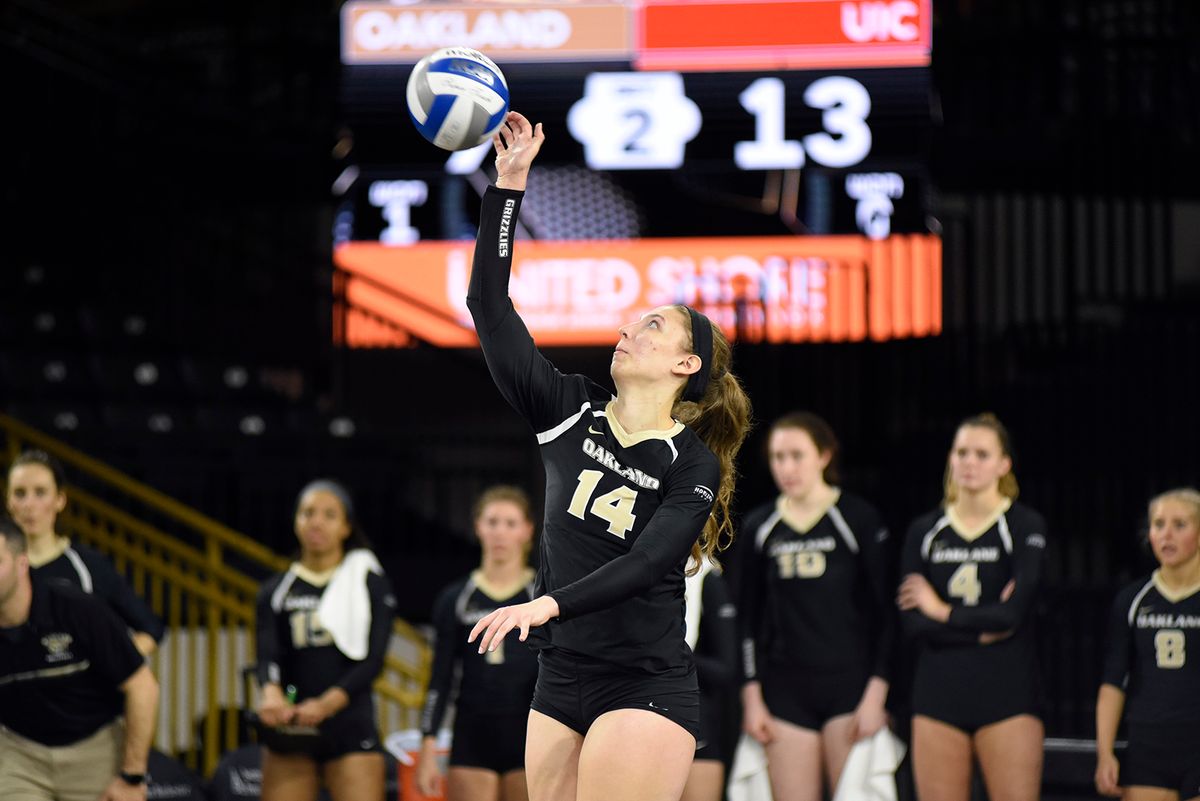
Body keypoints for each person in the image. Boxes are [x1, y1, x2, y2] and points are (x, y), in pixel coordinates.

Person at [463, 111, 752, 801]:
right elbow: (488, 307)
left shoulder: (691, 463)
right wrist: (508, 188)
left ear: (687, 362)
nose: (631, 328)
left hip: (644, 681)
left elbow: (649, 562)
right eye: (633, 320)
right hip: (562, 674)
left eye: (653, 325)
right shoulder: (568, 411)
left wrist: (547, 605)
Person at [737, 411, 896, 801]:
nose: (786, 468)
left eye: (796, 455)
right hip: (785, 691)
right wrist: (751, 698)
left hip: (851, 687)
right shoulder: (761, 526)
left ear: (824, 456)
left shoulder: (856, 518)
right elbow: (744, 619)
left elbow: (888, 614)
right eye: (777, 457)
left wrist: (878, 694)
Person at [896, 412, 1047, 801]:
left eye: (982, 454)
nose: (969, 462)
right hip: (938, 694)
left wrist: (941, 611)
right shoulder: (925, 530)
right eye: (962, 452)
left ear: (1004, 464)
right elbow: (912, 623)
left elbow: (1014, 615)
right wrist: (984, 628)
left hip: (1008, 694)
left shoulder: (1024, 525)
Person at [254, 480, 397, 801]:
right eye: (308, 513)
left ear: (346, 527)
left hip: (349, 725)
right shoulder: (276, 591)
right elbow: (267, 655)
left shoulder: (370, 583)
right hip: (293, 728)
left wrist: (326, 704)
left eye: (329, 515)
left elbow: (373, 660)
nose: (316, 522)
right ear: (295, 521)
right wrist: (272, 694)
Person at [0, 515, 160, 801]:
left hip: (94, 748)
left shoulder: (78, 609)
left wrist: (132, 777)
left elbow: (142, 687)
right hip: (19, 753)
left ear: (21, 564)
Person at [416, 485, 539, 801]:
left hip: (529, 732)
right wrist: (428, 743)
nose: (500, 532)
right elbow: (439, 677)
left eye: (510, 523)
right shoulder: (455, 599)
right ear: (477, 527)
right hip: (472, 734)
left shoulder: (541, 597)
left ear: (527, 530)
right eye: (492, 522)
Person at [1095, 488, 1200, 801]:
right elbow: (1114, 681)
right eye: (1158, 525)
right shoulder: (1133, 599)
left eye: (1179, 525)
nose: (1166, 535)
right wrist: (1105, 753)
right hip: (1148, 744)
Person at [6, 449, 164, 656]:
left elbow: (151, 628)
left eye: (40, 492)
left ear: (60, 500)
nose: (29, 504)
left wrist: (113, 666)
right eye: (20, 493)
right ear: (8, 501)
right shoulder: (4, 568)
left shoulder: (89, 565)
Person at [682, 558, 739, 801]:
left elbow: (726, 669)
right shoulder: (623, 565)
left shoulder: (704, 576)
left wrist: (668, 649)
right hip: (632, 715)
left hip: (694, 719)